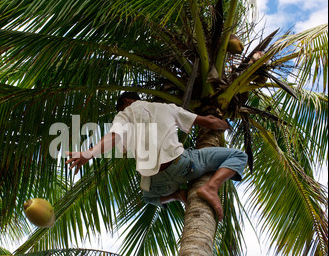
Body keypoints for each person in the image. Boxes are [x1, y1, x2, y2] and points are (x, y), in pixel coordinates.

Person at [65, 92, 248, 221]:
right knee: (238, 155)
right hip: (183, 165)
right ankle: (211, 186)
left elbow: (115, 137)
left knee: (148, 198)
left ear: (127, 101)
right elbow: (209, 122)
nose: (119, 112)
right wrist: (225, 123)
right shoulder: (166, 107)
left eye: (119, 108)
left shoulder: (124, 115)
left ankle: (178, 196)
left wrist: (87, 154)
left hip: (158, 180)